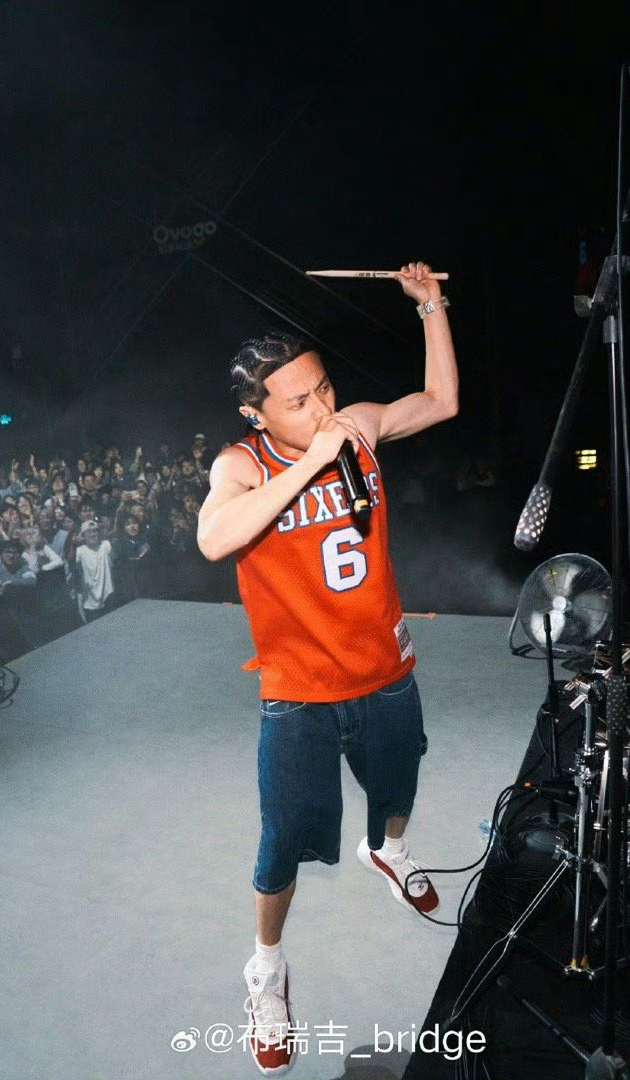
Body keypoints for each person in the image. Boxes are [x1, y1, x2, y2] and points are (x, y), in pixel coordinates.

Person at [197, 262, 457, 1075]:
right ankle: (266, 969)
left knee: (397, 789)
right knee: (283, 844)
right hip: (300, 693)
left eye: (323, 389)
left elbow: (440, 401)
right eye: (297, 401)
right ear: (255, 412)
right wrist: (310, 461)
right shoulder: (242, 464)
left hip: (385, 668)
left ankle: (388, 852)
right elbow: (213, 539)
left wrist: (431, 308)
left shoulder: (359, 427)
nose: (319, 409)